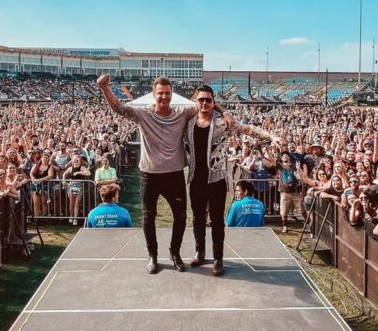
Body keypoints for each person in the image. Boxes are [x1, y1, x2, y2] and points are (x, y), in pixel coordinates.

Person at [97, 74, 231, 274]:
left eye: (167, 93)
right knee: (148, 216)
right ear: (154, 94)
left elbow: (206, 104)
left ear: (171, 94)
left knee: (180, 216)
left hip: (174, 174)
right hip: (149, 174)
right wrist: (104, 88)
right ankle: (152, 255)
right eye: (160, 93)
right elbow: (118, 107)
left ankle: (174, 253)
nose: (164, 97)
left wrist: (225, 112)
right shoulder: (142, 114)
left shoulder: (182, 112)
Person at [184, 84, 273, 275]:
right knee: (198, 219)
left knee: (217, 220)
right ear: (196, 102)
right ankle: (200, 252)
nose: (204, 103)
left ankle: (218, 258)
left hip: (216, 180)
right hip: (196, 179)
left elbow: (247, 129)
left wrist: (271, 135)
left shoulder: (223, 124)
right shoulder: (188, 122)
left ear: (213, 102)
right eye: (201, 100)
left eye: (208, 100)